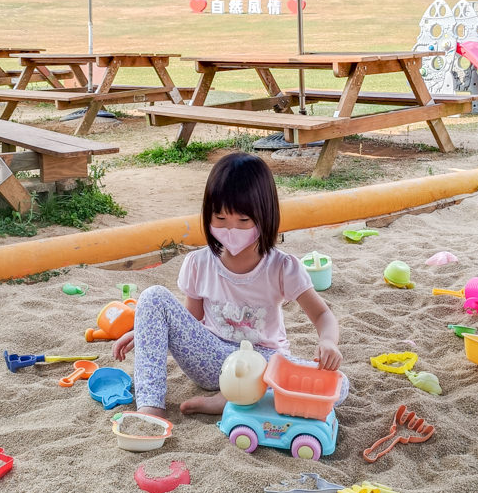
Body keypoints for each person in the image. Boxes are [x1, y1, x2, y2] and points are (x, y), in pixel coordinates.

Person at [113, 151, 347, 418]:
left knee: (341, 387)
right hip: (214, 362)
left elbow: (322, 314)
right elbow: (191, 319)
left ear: (265, 216)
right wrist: (148, 331)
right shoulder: (199, 263)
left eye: (243, 221)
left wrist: (329, 342)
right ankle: (151, 407)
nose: (231, 229)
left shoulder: (282, 267)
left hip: (262, 364)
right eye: (221, 219)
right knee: (153, 296)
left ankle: (230, 401)